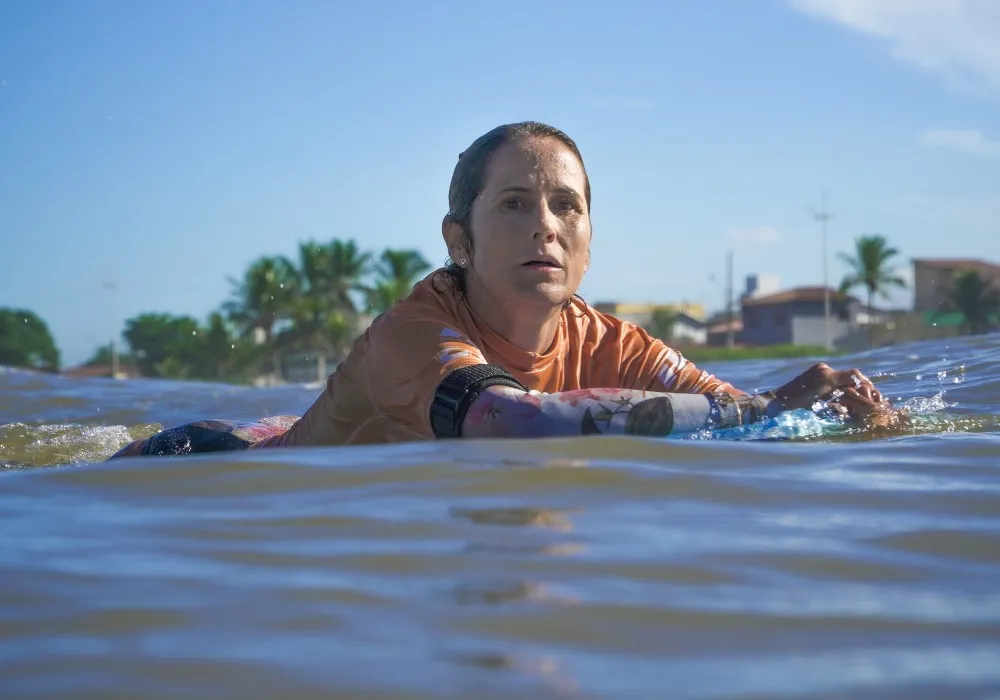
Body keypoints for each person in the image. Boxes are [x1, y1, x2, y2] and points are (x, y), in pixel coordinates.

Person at [108, 121, 901, 460]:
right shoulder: (414, 329)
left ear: (589, 242)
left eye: (567, 207)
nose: (545, 227)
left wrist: (844, 416)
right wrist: (770, 406)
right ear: (461, 239)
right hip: (228, 469)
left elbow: (730, 425)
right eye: (514, 205)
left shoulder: (615, 344)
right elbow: (505, 420)